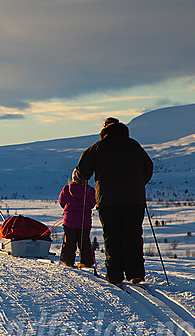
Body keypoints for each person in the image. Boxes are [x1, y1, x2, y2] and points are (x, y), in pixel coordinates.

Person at [76, 117, 153, 284]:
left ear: (104, 129)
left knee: (112, 236)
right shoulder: (134, 146)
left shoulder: (98, 147)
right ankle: (135, 273)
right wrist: (137, 184)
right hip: (134, 199)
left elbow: (83, 171)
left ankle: (115, 275)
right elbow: (148, 169)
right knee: (133, 235)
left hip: (107, 200)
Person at [58, 168, 96, 268]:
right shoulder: (90, 190)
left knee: (69, 243)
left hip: (69, 222)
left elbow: (62, 201)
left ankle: (67, 262)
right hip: (85, 222)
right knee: (85, 244)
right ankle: (88, 263)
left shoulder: (67, 189)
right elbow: (92, 204)